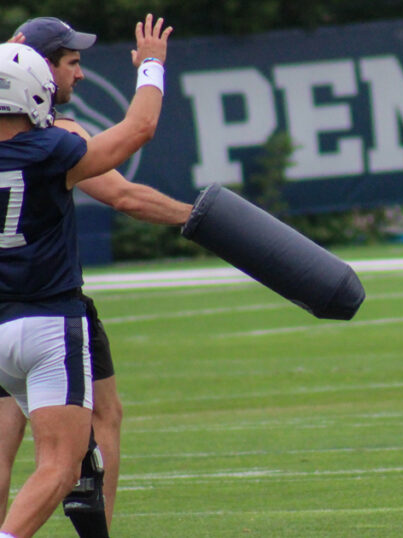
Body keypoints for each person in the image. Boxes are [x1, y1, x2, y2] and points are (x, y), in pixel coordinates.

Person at [0, 17, 192, 535]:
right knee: (62, 464)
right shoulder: (51, 148)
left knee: (27, 450)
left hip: (1, 325)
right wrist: (151, 66)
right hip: (49, 320)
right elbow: (138, 131)